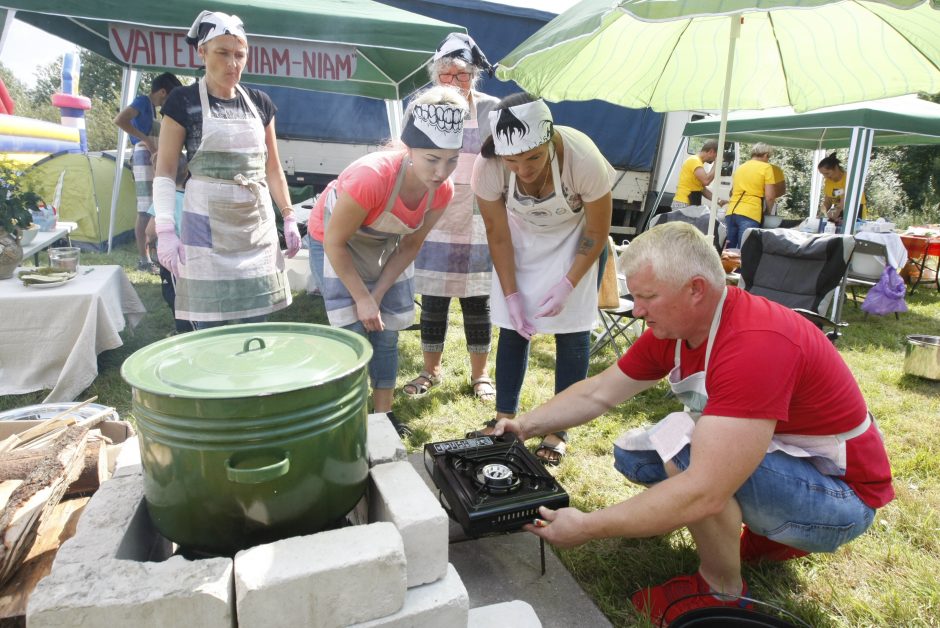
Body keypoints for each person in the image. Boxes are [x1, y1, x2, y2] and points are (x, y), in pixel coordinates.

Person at [488, 222, 894, 625]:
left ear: (696, 289)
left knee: (686, 454)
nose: (637, 309)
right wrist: (523, 425)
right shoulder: (682, 325)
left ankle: (722, 589)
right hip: (794, 465)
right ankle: (758, 533)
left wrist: (589, 527)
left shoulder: (756, 343)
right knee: (636, 455)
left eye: (647, 296)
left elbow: (704, 490)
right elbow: (599, 392)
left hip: (842, 502)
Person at [306, 86, 468, 436]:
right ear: (409, 150)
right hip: (333, 241)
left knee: (386, 335)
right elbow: (335, 242)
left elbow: (410, 247)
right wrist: (362, 299)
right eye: (432, 159)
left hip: (384, 243)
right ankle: (347, 420)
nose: (442, 172)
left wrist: (377, 295)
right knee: (351, 332)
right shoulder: (372, 178)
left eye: (451, 159)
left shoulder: (443, 190)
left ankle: (382, 419)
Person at [472, 93, 615, 464]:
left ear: (549, 138)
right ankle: (505, 418)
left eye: (533, 157)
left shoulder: (582, 158)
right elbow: (497, 234)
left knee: (572, 330)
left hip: (577, 239)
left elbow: (597, 231)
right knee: (512, 326)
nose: (524, 169)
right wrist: (512, 295)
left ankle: (558, 429)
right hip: (521, 239)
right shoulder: (487, 168)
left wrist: (569, 282)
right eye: (512, 161)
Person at [153, 11, 300, 329]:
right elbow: (164, 170)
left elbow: (272, 167)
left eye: (239, 54)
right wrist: (165, 229)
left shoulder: (260, 103)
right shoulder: (183, 101)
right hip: (206, 226)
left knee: (254, 320)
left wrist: (288, 215)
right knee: (211, 322)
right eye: (223, 53)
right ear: (202, 52)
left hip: (254, 227)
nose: (233, 63)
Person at [404, 33, 500, 402]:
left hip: (479, 217)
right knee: (434, 299)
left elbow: (504, 162)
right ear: (435, 75)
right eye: (445, 75)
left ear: (473, 75)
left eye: (460, 75)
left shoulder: (492, 109)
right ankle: (431, 369)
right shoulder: (422, 106)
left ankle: (481, 376)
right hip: (436, 215)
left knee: (478, 302)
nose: (453, 82)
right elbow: (407, 157)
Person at [114, 71, 182, 274]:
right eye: (170, 97)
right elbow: (120, 120)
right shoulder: (143, 101)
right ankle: (144, 259)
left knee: (158, 204)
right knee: (145, 208)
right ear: (163, 92)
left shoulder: (156, 110)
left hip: (157, 156)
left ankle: (159, 253)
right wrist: (146, 140)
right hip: (145, 155)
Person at [723, 143, 778, 249]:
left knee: (728, 250)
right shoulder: (766, 168)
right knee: (745, 250)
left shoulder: (740, 168)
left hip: (731, 212)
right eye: (769, 157)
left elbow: (732, 192)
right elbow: (770, 196)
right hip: (750, 213)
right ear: (766, 155)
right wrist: (768, 212)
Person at [818, 153, 867, 226]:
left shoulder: (849, 179)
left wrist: (830, 217)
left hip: (855, 211)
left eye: (827, 173)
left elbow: (842, 203)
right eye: (823, 174)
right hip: (838, 210)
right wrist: (820, 215)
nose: (825, 177)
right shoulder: (828, 181)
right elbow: (827, 201)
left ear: (836, 168)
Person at [672, 140, 718, 209]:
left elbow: (702, 189)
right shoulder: (694, 161)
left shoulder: (698, 163)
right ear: (711, 152)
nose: (715, 159)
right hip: (683, 203)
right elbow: (706, 181)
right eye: (716, 156)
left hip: (689, 203)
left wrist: (719, 201)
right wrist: (717, 164)